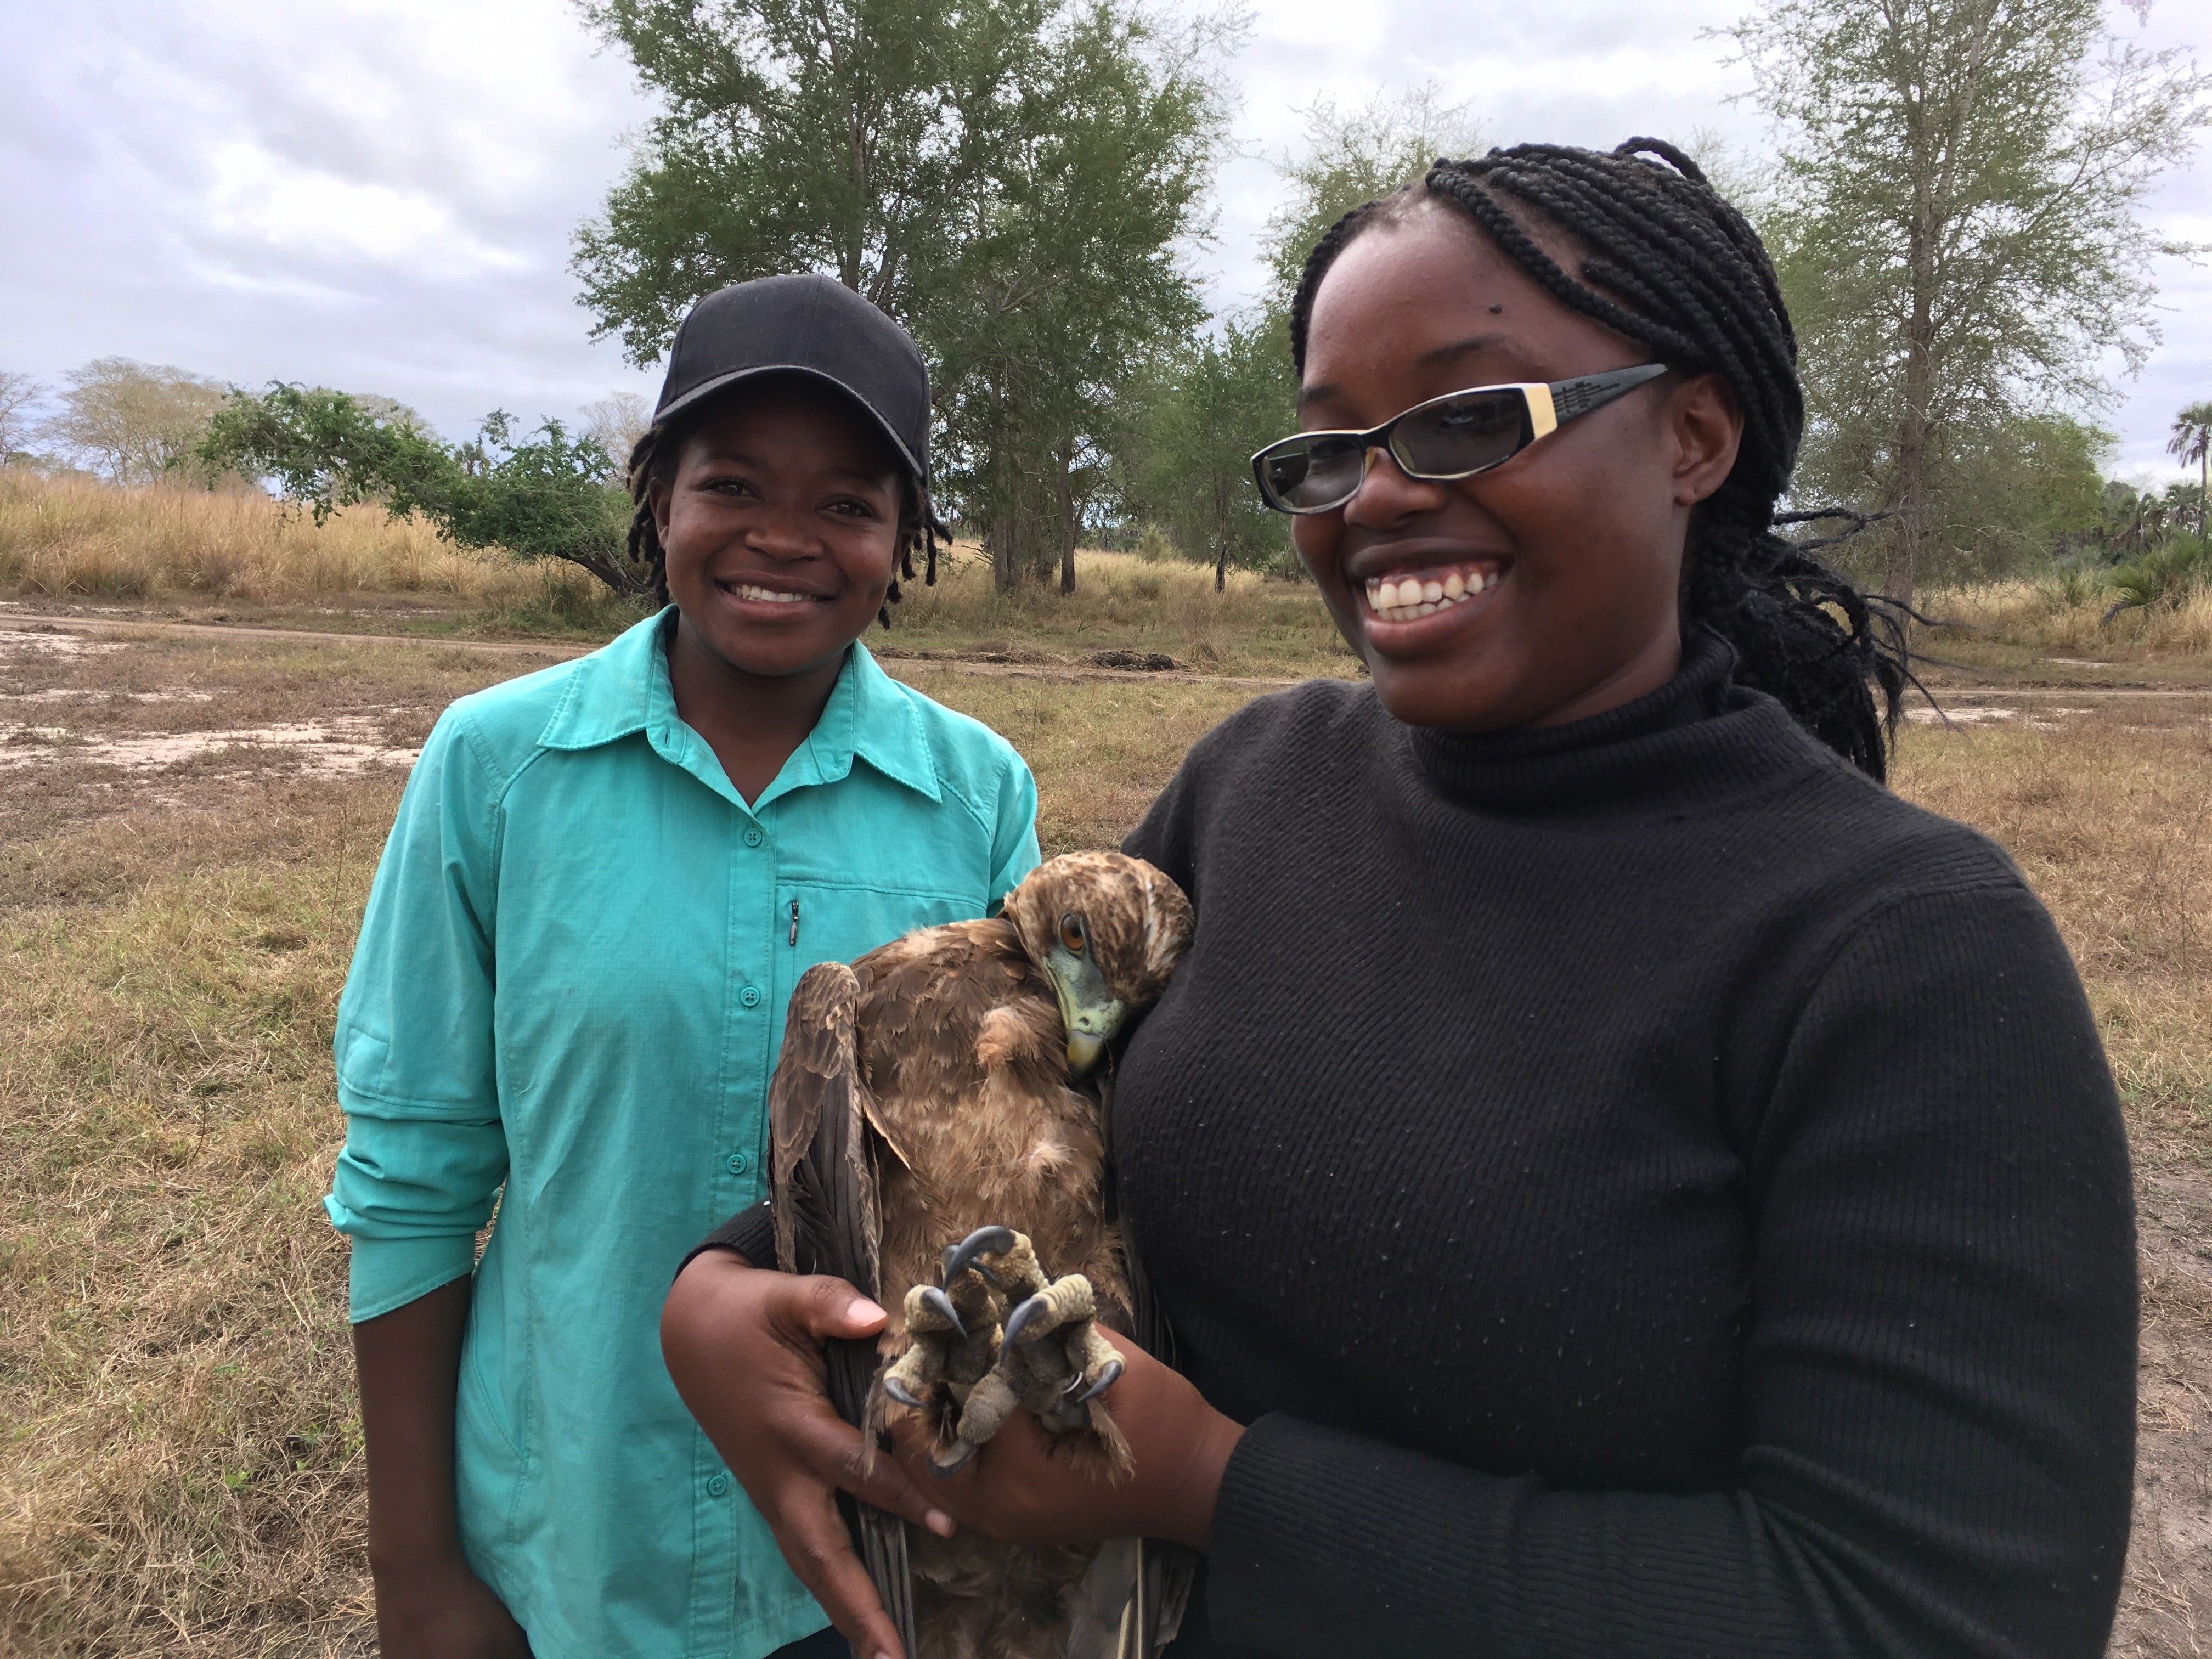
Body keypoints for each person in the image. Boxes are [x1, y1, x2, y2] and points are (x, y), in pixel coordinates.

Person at [661, 142, 2138, 1659]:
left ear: (1693, 436)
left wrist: (1216, 1486)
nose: (1373, 497)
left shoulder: (1905, 952)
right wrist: (723, 1289)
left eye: (1466, 418)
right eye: (1331, 446)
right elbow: (983, 1096)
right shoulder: (1258, 786)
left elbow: (1927, 1615)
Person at [324, 273, 1039, 1659]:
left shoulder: (976, 799)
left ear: (907, 540)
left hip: (866, 1550)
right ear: (659, 500)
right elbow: (412, 1186)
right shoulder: (498, 766)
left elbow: (994, 1166)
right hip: (576, 1540)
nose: (784, 539)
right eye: (731, 485)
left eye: (847, 502)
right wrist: (416, 1573)